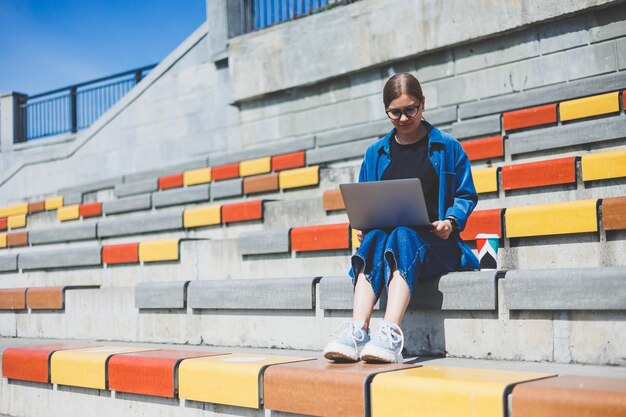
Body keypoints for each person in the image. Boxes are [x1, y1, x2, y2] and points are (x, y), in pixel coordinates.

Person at [323, 73, 480, 364]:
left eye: (411, 109)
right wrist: (363, 224)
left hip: (437, 244)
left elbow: (465, 195)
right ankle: (359, 329)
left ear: (423, 104)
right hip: (389, 244)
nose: (404, 118)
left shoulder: (448, 147)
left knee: (403, 234)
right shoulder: (375, 154)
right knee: (378, 236)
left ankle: (391, 332)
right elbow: (364, 201)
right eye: (395, 112)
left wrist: (451, 221)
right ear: (386, 110)